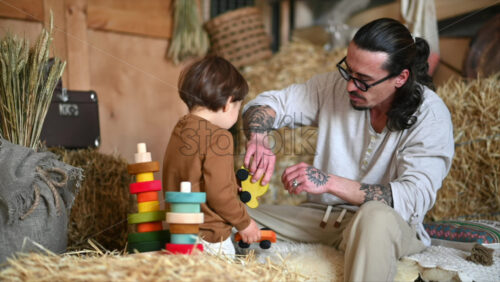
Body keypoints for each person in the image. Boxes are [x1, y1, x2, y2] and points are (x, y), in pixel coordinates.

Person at [242, 18, 454, 281]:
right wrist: (259, 136)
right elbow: (267, 104)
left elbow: (411, 198)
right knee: (227, 214)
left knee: (374, 217)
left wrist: (329, 182)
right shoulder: (332, 87)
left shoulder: (431, 115)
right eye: (348, 70)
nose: (349, 86)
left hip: (388, 224)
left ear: (400, 78)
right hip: (323, 217)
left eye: (363, 80)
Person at [163, 56, 261, 258]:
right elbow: (219, 194)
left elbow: (189, 174)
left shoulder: (181, 128)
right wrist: (245, 223)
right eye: (238, 107)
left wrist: (231, 182)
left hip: (180, 230)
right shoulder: (219, 137)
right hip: (210, 237)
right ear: (227, 103)